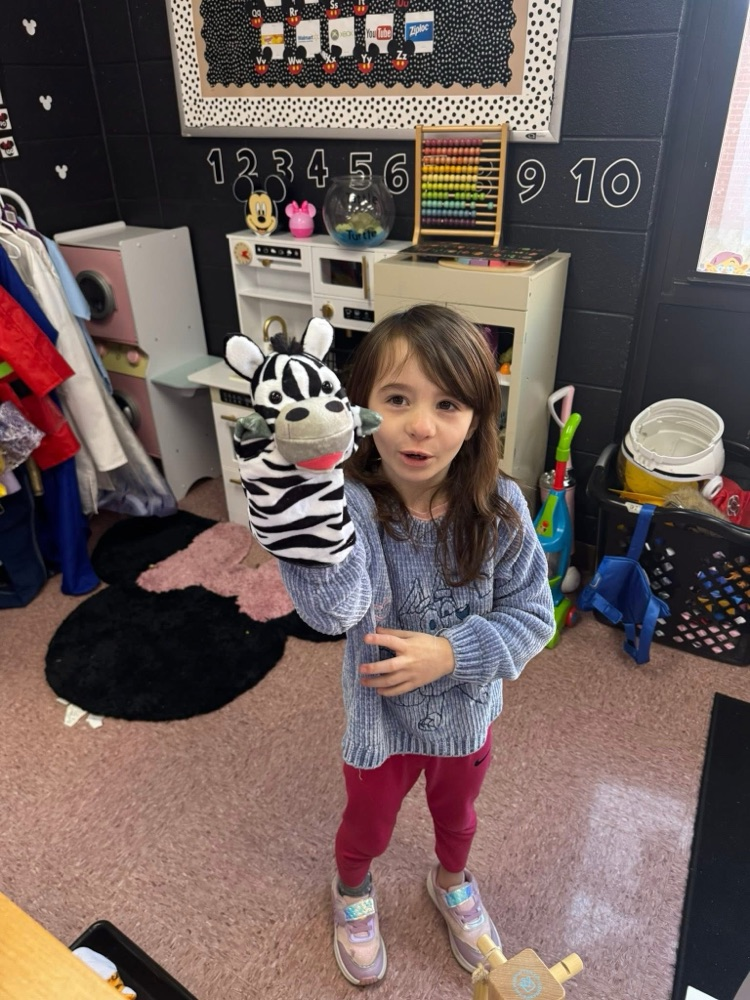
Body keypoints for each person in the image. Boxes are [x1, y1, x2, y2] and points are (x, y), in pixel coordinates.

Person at [278, 303, 555, 986]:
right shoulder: (351, 510)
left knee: (457, 819)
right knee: (366, 827)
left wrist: (452, 653)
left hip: (465, 715)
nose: (421, 426)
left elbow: (534, 617)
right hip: (381, 722)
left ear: (477, 418)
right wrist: (303, 529)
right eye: (397, 399)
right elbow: (329, 611)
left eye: (448, 403)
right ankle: (351, 892)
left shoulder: (501, 510)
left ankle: (452, 883)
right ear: (363, 410)